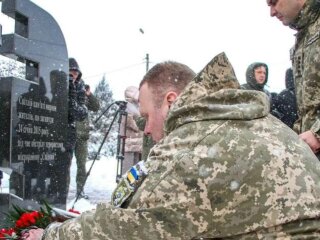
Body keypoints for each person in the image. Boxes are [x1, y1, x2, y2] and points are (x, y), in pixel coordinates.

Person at [25, 53, 320, 239]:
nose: (149, 130)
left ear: (170, 100)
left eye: (147, 117)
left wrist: (50, 236)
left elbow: (125, 228)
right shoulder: (253, 120)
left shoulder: (194, 144)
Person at [266, 0, 320, 156]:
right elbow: (308, 109)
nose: (272, 12)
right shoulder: (304, 36)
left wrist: (317, 133)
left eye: (274, 3)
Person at [69, 58, 100, 199]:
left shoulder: (83, 89)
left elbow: (96, 107)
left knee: (82, 166)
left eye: (75, 72)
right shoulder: (63, 87)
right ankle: (62, 191)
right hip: (67, 132)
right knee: (65, 164)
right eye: (71, 71)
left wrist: (89, 95)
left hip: (82, 134)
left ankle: (80, 191)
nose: (73, 74)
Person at [121, 86, 143, 173]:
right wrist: (142, 126)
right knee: (128, 170)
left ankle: (133, 185)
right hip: (129, 144)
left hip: (138, 143)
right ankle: (127, 186)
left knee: (136, 171)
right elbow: (131, 124)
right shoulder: (127, 108)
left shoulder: (137, 107)